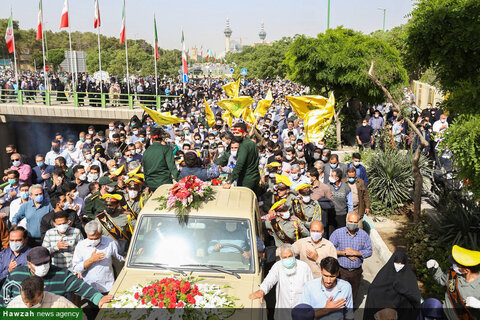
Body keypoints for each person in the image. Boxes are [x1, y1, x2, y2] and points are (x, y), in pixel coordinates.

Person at [0, 246, 112, 308]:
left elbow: (80, 286)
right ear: (29, 264)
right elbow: (3, 299)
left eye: (46, 262)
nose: (43, 266)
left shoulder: (61, 274)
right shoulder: (16, 275)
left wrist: (98, 298)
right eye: (38, 264)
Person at [249, 244, 313, 319]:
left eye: (290, 256)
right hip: (283, 311)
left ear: (294, 255)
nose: (288, 259)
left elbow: (311, 288)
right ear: (280, 258)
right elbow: (269, 281)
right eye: (285, 257)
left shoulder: (304, 267)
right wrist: (262, 290)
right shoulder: (277, 266)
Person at [364, 251, 422, 320]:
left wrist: (404, 291)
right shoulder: (384, 274)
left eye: (401, 264)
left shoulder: (410, 277)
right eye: (397, 263)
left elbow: (416, 299)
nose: (399, 265)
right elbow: (373, 291)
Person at [426, 245, 480, 320]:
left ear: (466, 270)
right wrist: (435, 269)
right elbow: (441, 279)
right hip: (444, 315)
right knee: (431, 303)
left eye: (457, 264)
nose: (453, 266)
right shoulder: (454, 274)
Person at [329, 211, 372, 302]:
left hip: (356, 272)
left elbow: (369, 251)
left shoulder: (363, 235)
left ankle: (350, 312)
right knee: (339, 294)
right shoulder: (337, 233)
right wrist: (344, 253)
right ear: (346, 221)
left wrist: (356, 253)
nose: (352, 224)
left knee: (353, 294)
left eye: (355, 222)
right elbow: (330, 249)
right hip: (341, 271)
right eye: (351, 222)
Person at [72, 220, 125, 294]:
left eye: (96, 238)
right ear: (86, 234)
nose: (93, 241)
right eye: (91, 239)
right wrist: (91, 260)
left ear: (101, 234)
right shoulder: (81, 246)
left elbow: (121, 258)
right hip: (89, 287)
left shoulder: (110, 243)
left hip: (107, 286)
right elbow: (76, 268)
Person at [223, 123, 260, 193]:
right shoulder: (252, 143)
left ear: (244, 134)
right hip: (255, 177)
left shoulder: (243, 145)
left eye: (237, 133)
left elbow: (239, 164)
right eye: (234, 133)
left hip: (246, 179)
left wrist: (230, 181)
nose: (235, 135)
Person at [7, 276, 77, 308]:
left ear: (42, 292)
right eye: (25, 302)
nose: (28, 306)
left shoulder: (61, 304)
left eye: (33, 302)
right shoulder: (14, 305)